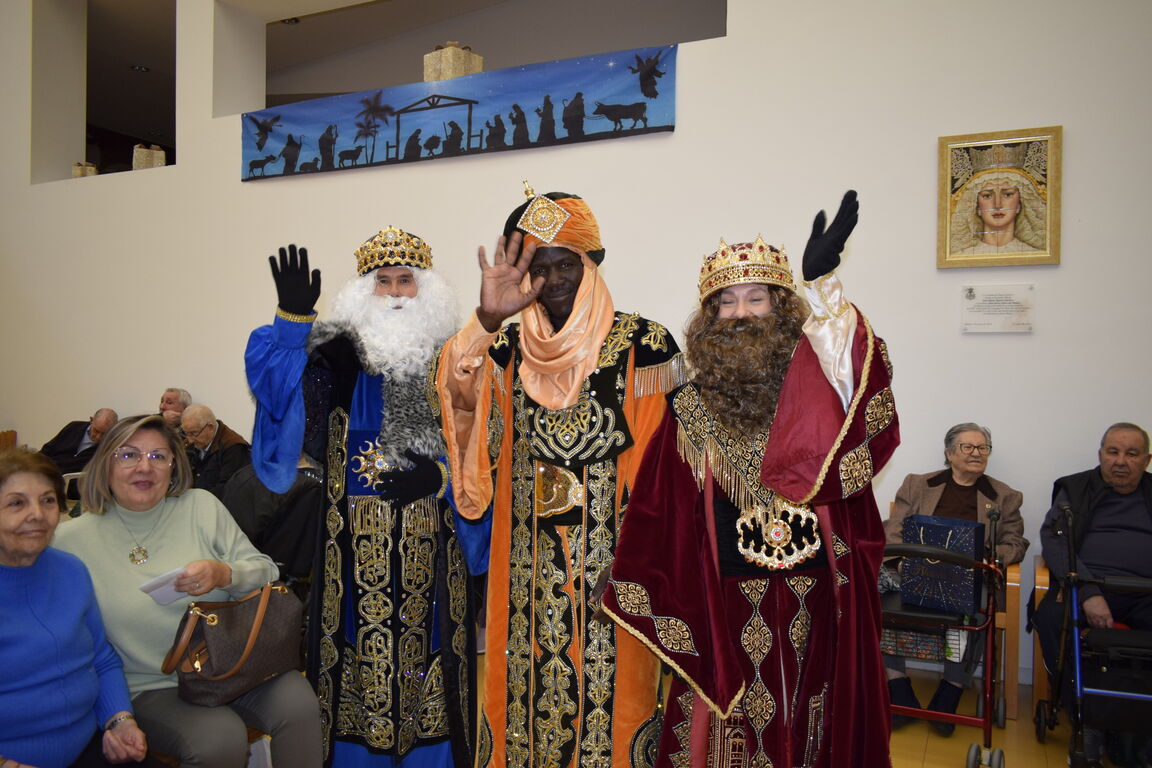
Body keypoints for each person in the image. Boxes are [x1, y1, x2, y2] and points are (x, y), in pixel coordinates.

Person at [602, 191, 901, 768]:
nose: (740, 313)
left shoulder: (816, 384)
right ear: (709, 318)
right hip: (725, 603)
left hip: (816, 595)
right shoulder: (688, 406)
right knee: (726, 735)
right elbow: (661, 510)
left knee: (811, 721)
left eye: (756, 298)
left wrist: (826, 287)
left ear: (782, 309)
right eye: (726, 302)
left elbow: (856, 373)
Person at [436, 184, 686, 768]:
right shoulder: (504, 349)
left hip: (615, 568)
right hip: (523, 570)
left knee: (617, 710)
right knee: (523, 708)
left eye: (565, 264)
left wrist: (639, 562)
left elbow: (665, 470)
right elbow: (454, 403)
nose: (553, 280)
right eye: (538, 268)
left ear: (591, 262)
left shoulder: (643, 347)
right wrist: (484, 321)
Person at [245, 228, 475, 767]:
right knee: (351, 665)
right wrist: (292, 321)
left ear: (426, 290)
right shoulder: (335, 357)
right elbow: (275, 390)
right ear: (363, 292)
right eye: (382, 281)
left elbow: (487, 443)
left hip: (432, 554)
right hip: (348, 556)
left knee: (431, 665)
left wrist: (441, 479)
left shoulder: (455, 359)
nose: (394, 293)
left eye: (405, 281)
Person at [52, 415, 322, 768]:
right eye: (129, 455)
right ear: (105, 464)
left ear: (174, 465)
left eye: (158, 456)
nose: (144, 467)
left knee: (300, 703)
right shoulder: (68, 542)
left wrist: (224, 573)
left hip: (230, 663)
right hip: (149, 684)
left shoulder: (201, 506)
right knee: (219, 739)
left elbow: (266, 570)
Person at [0, 448, 148, 768]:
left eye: (47, 500)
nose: (37, 514)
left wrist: (120, 721)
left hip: (88, 746)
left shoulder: (71, 570)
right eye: (16, 503)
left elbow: (101, 658)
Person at [883, 422, 1028, 733]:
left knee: (978, 607)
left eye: (983, 447)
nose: (977, 453)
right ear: (949, 453)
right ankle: (899, 688)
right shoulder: (917, 484)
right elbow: (894, 528)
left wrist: (989, 559)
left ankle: (950, 691)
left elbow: (1015, 542)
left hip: (968, 578)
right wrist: (903, 561)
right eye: (968, 447)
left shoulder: (1004, 496)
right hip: (916, 573)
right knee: (878, 597)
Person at [1034, 422, 1152, 766]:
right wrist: (1088, 591)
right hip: (1088, 586)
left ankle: (1141, 729)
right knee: (1051, 616)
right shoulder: (1075, 489)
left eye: (1131, 454)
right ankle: (1086, 721)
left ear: (1146, 460)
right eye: (1113, 452)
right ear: (1100, 454)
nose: (1120, 461)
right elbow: (1055, 542)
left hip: (1146, 592)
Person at [952, 167, 1046, 255]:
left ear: (1019, 205)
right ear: (977, 207)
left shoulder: (1034, 254)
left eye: (1007, 195)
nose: (997, 205)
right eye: (987, 196)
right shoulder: (963, 256)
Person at [180, 404, 251, 499]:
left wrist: (196, 501)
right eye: (186, 433)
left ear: (210, 427)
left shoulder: (234, 448)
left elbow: (228, 490)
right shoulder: (191, 443)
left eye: (193, 433)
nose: (190, 440)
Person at [39, 408, 118, 475]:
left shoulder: (109, 446)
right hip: (49, 471)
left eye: (104, 434)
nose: (98, 437)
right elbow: (48, 449)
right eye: (96, 431)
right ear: (91, 420)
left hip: (71, 482)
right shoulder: (74, 427)